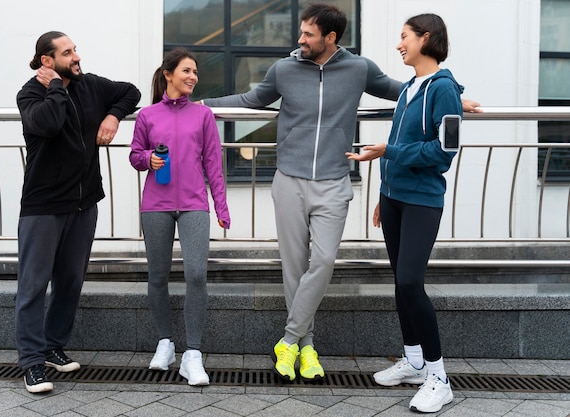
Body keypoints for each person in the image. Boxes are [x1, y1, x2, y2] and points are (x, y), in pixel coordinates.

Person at [201, 3, 478, 383]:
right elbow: (250, 99)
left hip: (333, 182)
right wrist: (201, 107)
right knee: (294, 268)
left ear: (330, 38)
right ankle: (306, 346)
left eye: (308, 34)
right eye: (301, 33)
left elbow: (407, 90)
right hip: (290, 180)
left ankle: (289, 339)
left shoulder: (358, 68)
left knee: (324, 262)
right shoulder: (283, 69)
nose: (300, 40)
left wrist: (453, 94)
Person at [346, 13, 461, 413]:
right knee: (399, 282)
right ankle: (413, 361)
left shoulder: (442, 90)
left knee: (411, 282)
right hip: (395, 198)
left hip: (423, 200)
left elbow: (445, 152)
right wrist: (384, 193)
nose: (399, 44)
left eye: (404, 37)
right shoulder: (412, 87)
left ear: (425, 39)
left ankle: (439, 377)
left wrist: (387, 152)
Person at [15, 31, 141, 394]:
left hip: (85, 203)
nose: (76, 56)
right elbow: (49, 124)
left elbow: (130, 91)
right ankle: (32, 363)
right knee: (33, 286)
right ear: (47, 61)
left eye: (75, 49)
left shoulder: (89, 85)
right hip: (44, 206)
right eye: (67, 52)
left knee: (70, 281)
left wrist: (114, 117)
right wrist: (56, 87)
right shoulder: (31, 94)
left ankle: (53, 346)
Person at [129, 47, 230, 386]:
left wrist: (221, 206)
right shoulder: (147, 115)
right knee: (157, 276)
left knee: (196, 275)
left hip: (193, 205)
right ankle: (165, 343)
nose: (192, 77)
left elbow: (214, 164)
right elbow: (134, 155)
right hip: (155, 205)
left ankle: (193, 354)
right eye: (186, 71)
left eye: (195, 73)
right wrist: (148, 160)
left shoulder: (203, 116)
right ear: (169, 74)